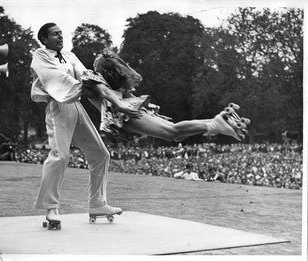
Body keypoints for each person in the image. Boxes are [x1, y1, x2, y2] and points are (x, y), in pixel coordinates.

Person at [30, 23, 140, 227]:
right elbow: (55, 79)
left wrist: (101, 87)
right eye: (55, 34)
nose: (60, 36)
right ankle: (51, 207)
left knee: (100, 154)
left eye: (61, 33)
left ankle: (97, 203)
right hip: (58, 106)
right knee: (60, 156)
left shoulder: (69, 56)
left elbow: (85, 74)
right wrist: (86, 87)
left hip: (75, 106)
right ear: (44, 39)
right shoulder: (41, 54)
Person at [83, 48, 250, 143]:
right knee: (176, 134)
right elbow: (129, 95)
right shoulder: (108, 83)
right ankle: (218, 119)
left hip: (124, 113)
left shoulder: (94, 80)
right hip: (131, 107)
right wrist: (152, 113)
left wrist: (121, 106)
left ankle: (215, 124)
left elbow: (107, 93)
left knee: (171, 132)